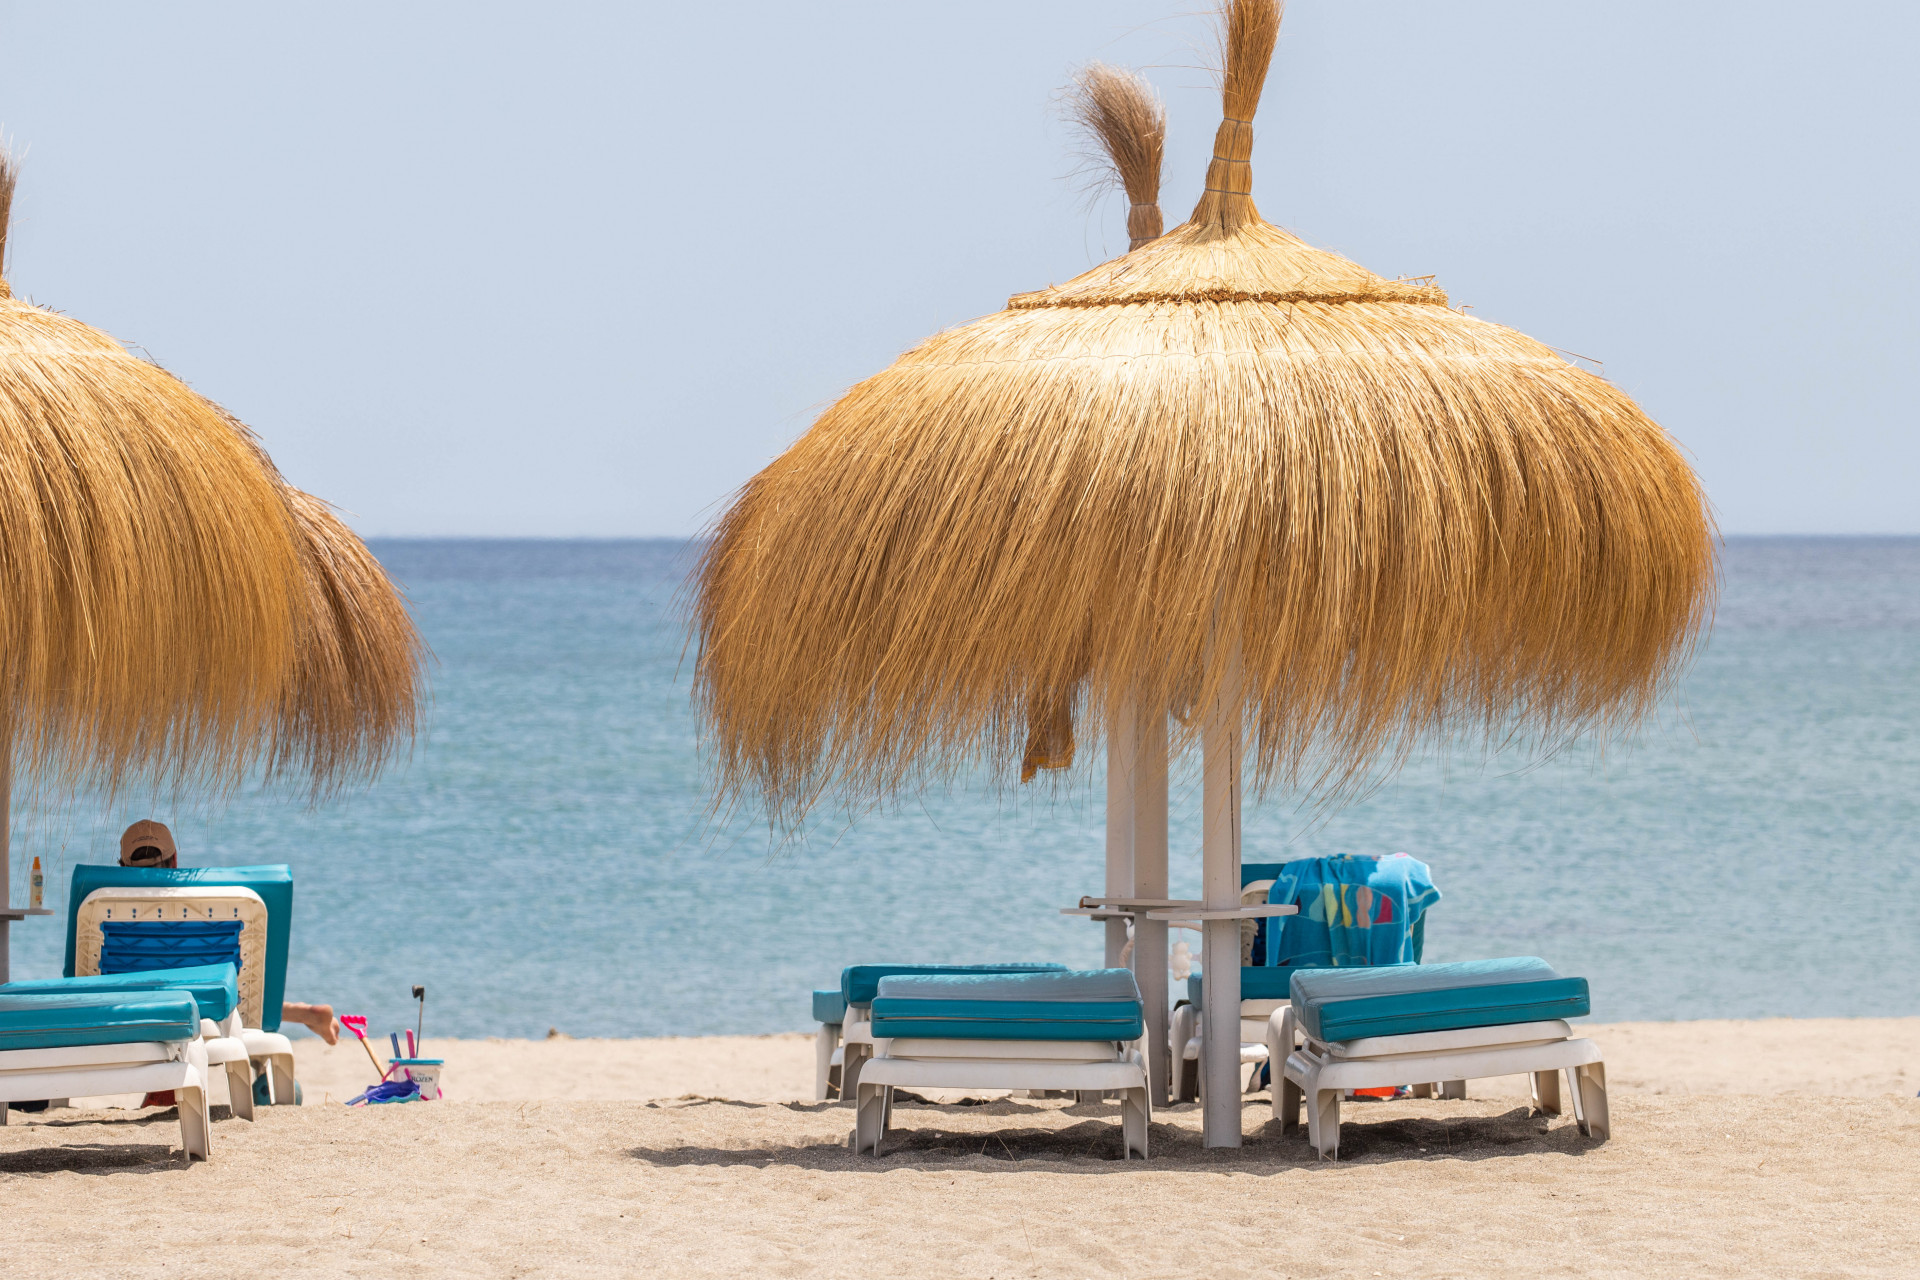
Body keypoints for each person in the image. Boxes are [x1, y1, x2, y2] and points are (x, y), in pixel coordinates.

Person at [118, 820, 341, 1045]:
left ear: (122, 867)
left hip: (133, 1015)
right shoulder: (206, 903)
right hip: (215, 1011)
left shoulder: (109, 908)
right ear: (175, 859)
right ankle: (300, 1014)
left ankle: (301, 1013)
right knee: (230, 991)